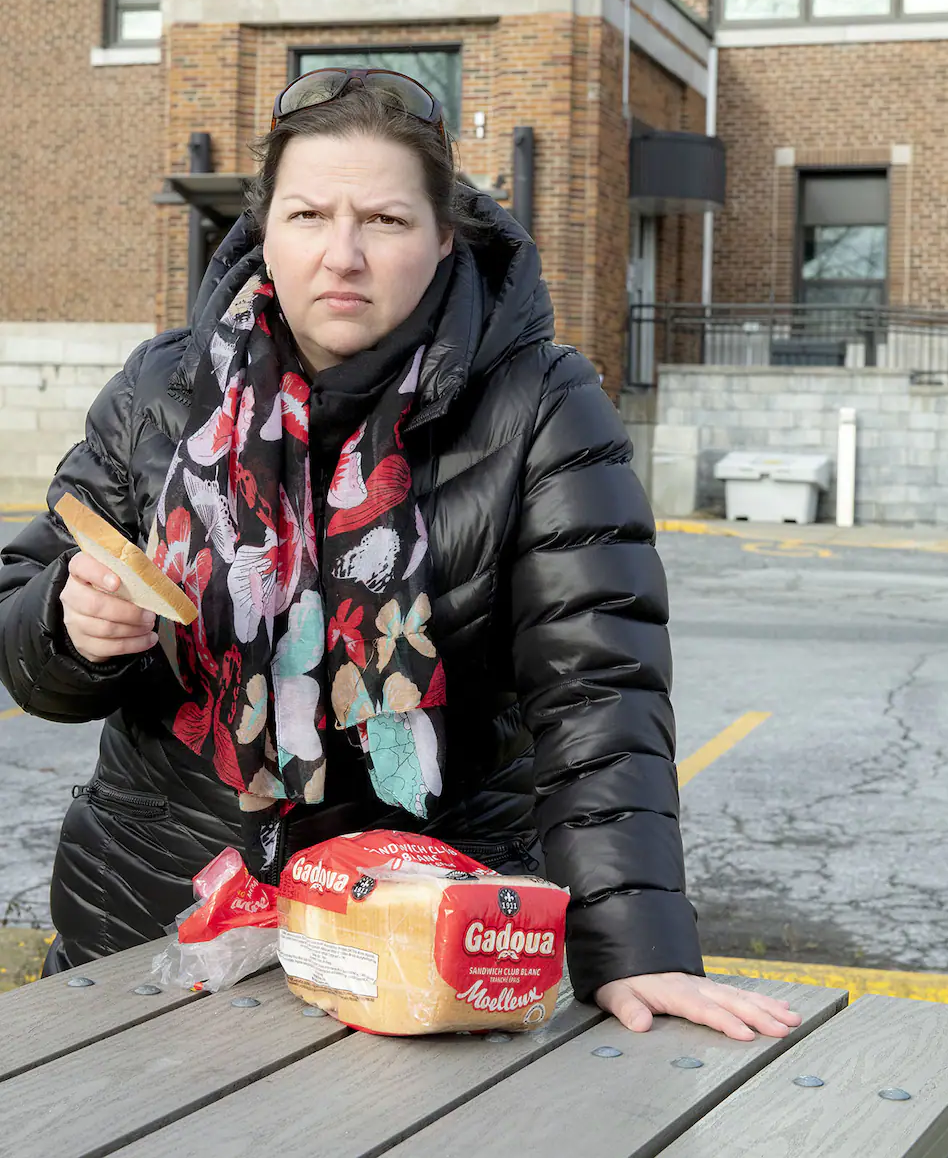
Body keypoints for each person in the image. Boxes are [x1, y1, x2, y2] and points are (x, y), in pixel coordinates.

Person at [0, 68, 798, 1042]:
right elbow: (25, 620)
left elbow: (596, 692)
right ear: (261, 230)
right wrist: (69, 627)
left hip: (418, 946)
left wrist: (635, 949)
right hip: (152, 926)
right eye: (306, 215)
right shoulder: (163, 389)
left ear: (443, 235)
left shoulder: (540, 402)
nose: (341, 255)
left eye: (383, 220)